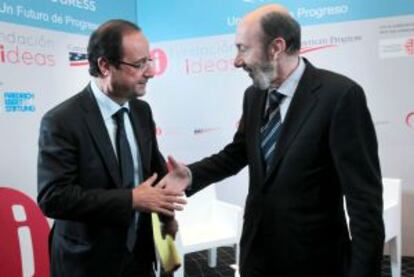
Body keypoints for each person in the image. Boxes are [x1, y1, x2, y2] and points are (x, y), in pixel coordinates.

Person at [165, 4, 385, 277]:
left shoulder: (340, 97)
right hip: (257, 254)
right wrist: (190, 175)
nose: (236, 61)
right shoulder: (254, 95)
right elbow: (239, 152)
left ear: (276, 47)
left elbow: (364, 202)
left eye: (243, 48)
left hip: (315, 261)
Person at [37, 19, 187, 277]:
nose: (150, 71)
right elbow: (54, 198)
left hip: (138, 258)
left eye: (149, 61)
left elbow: (153, 176)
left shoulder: (141, 111)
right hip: (86, 263)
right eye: (139, 64)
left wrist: (168, 222)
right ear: (104, 66)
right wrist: (130, 200)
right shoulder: (61, 121)